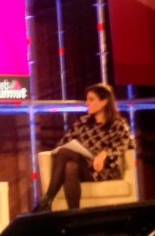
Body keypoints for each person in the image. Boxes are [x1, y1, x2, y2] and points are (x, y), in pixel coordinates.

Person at [34, 83, 135, 212]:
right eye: (87, 99)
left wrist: (105, 154)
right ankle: (74, 213)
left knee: (69, 163)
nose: (87, 103)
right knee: (70, 164)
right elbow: (63, 143)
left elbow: (128, 143)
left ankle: (47, 200)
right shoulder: (83, 122)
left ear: (104, 102)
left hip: (104, 171)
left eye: (91, 99)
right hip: (85, 169)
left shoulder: (118, 123)